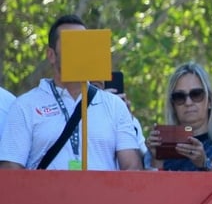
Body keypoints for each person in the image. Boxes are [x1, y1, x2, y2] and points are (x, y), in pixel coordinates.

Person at [0, 15, 143, 171]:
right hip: (45, 195)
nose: (79, 51)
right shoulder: (25, 105)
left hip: (100, 195)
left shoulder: (115, 105)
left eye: (84, 44)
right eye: (71, 43)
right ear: (51, 55)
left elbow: (132, 168)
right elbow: (10, 168)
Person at [147, 62, 212, 172]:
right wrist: (157, 160)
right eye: (179, 97)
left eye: (196, 94)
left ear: (210, 101)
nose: (188, 102)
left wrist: (204, 164)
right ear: (173, 105)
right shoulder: (157, 148)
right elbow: (150, 188)